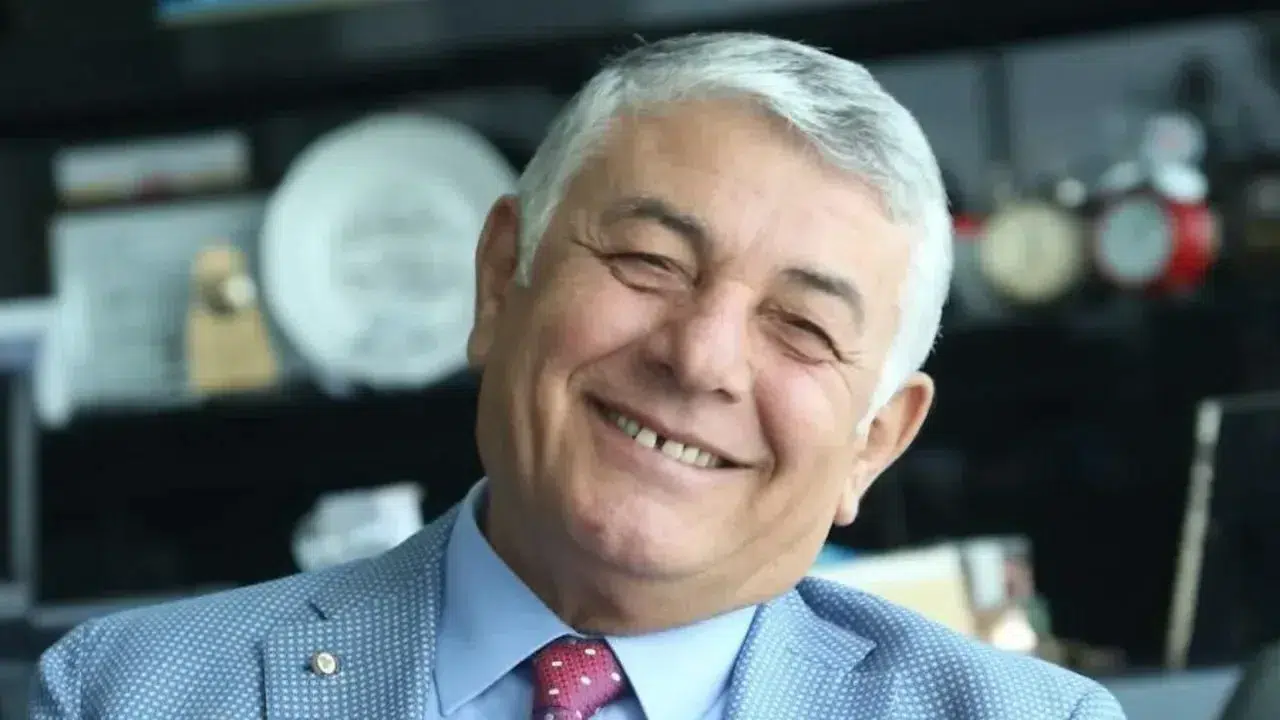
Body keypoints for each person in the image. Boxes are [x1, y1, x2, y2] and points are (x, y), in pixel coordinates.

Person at [30, 32, 1126, 720]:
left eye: (800, 326)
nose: (699, 358)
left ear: (875, 442)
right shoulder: (126, 695)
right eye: (650, 263)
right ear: (499, 281)